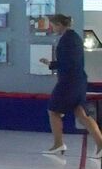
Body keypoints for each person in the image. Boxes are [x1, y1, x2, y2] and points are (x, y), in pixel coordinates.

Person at [41, 13, 102, 157]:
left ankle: (58, 144)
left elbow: (69, 63)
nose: (52, 28)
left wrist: (54, 65)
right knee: (82, 114)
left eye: (53, 25)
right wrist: (51, 64)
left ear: (59, 25)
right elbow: (69, 61)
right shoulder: (73, 38)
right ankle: (100, 145)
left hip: (69, 82)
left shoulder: (68, 40)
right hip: (77, 81)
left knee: (53, 111)